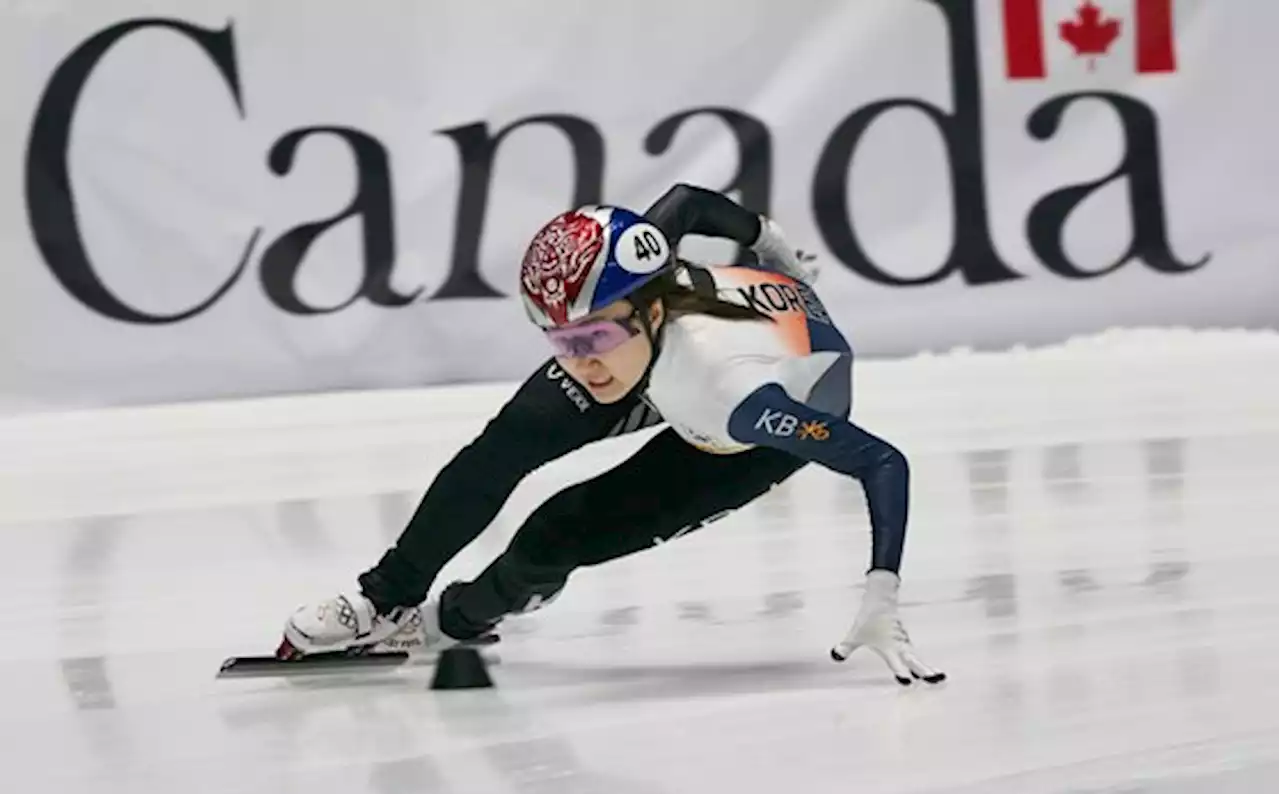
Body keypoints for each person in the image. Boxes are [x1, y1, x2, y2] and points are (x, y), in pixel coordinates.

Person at [279, 183, 945, 686]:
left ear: (654, 308)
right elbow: (686, 205)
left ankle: (459, 619)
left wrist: (882, 590)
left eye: (592, 336)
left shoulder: (737, 397)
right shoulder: (623, 298)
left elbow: (881, 460)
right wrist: (765, 236)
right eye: (561, 339)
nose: (578, 361)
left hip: (750, 424)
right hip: (675, 348)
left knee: (554, 536)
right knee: (506, 445)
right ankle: (384, 600)